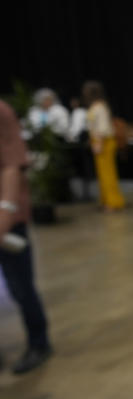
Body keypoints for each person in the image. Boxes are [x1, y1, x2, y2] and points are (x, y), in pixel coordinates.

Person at [0, 100, 53, 374]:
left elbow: (13, 165)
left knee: (20, 286)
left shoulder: (2, 112)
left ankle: (39, 343)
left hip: (7, 220)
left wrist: (5, 213)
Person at [83, 81, 125, 212]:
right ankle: (106, 200)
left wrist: (99, 143)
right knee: (102, 174)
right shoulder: (96, 106)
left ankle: (114, 202)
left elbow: (102, 127)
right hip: (98, 141)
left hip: (104, 142)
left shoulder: (100, 107)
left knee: (108, 174)